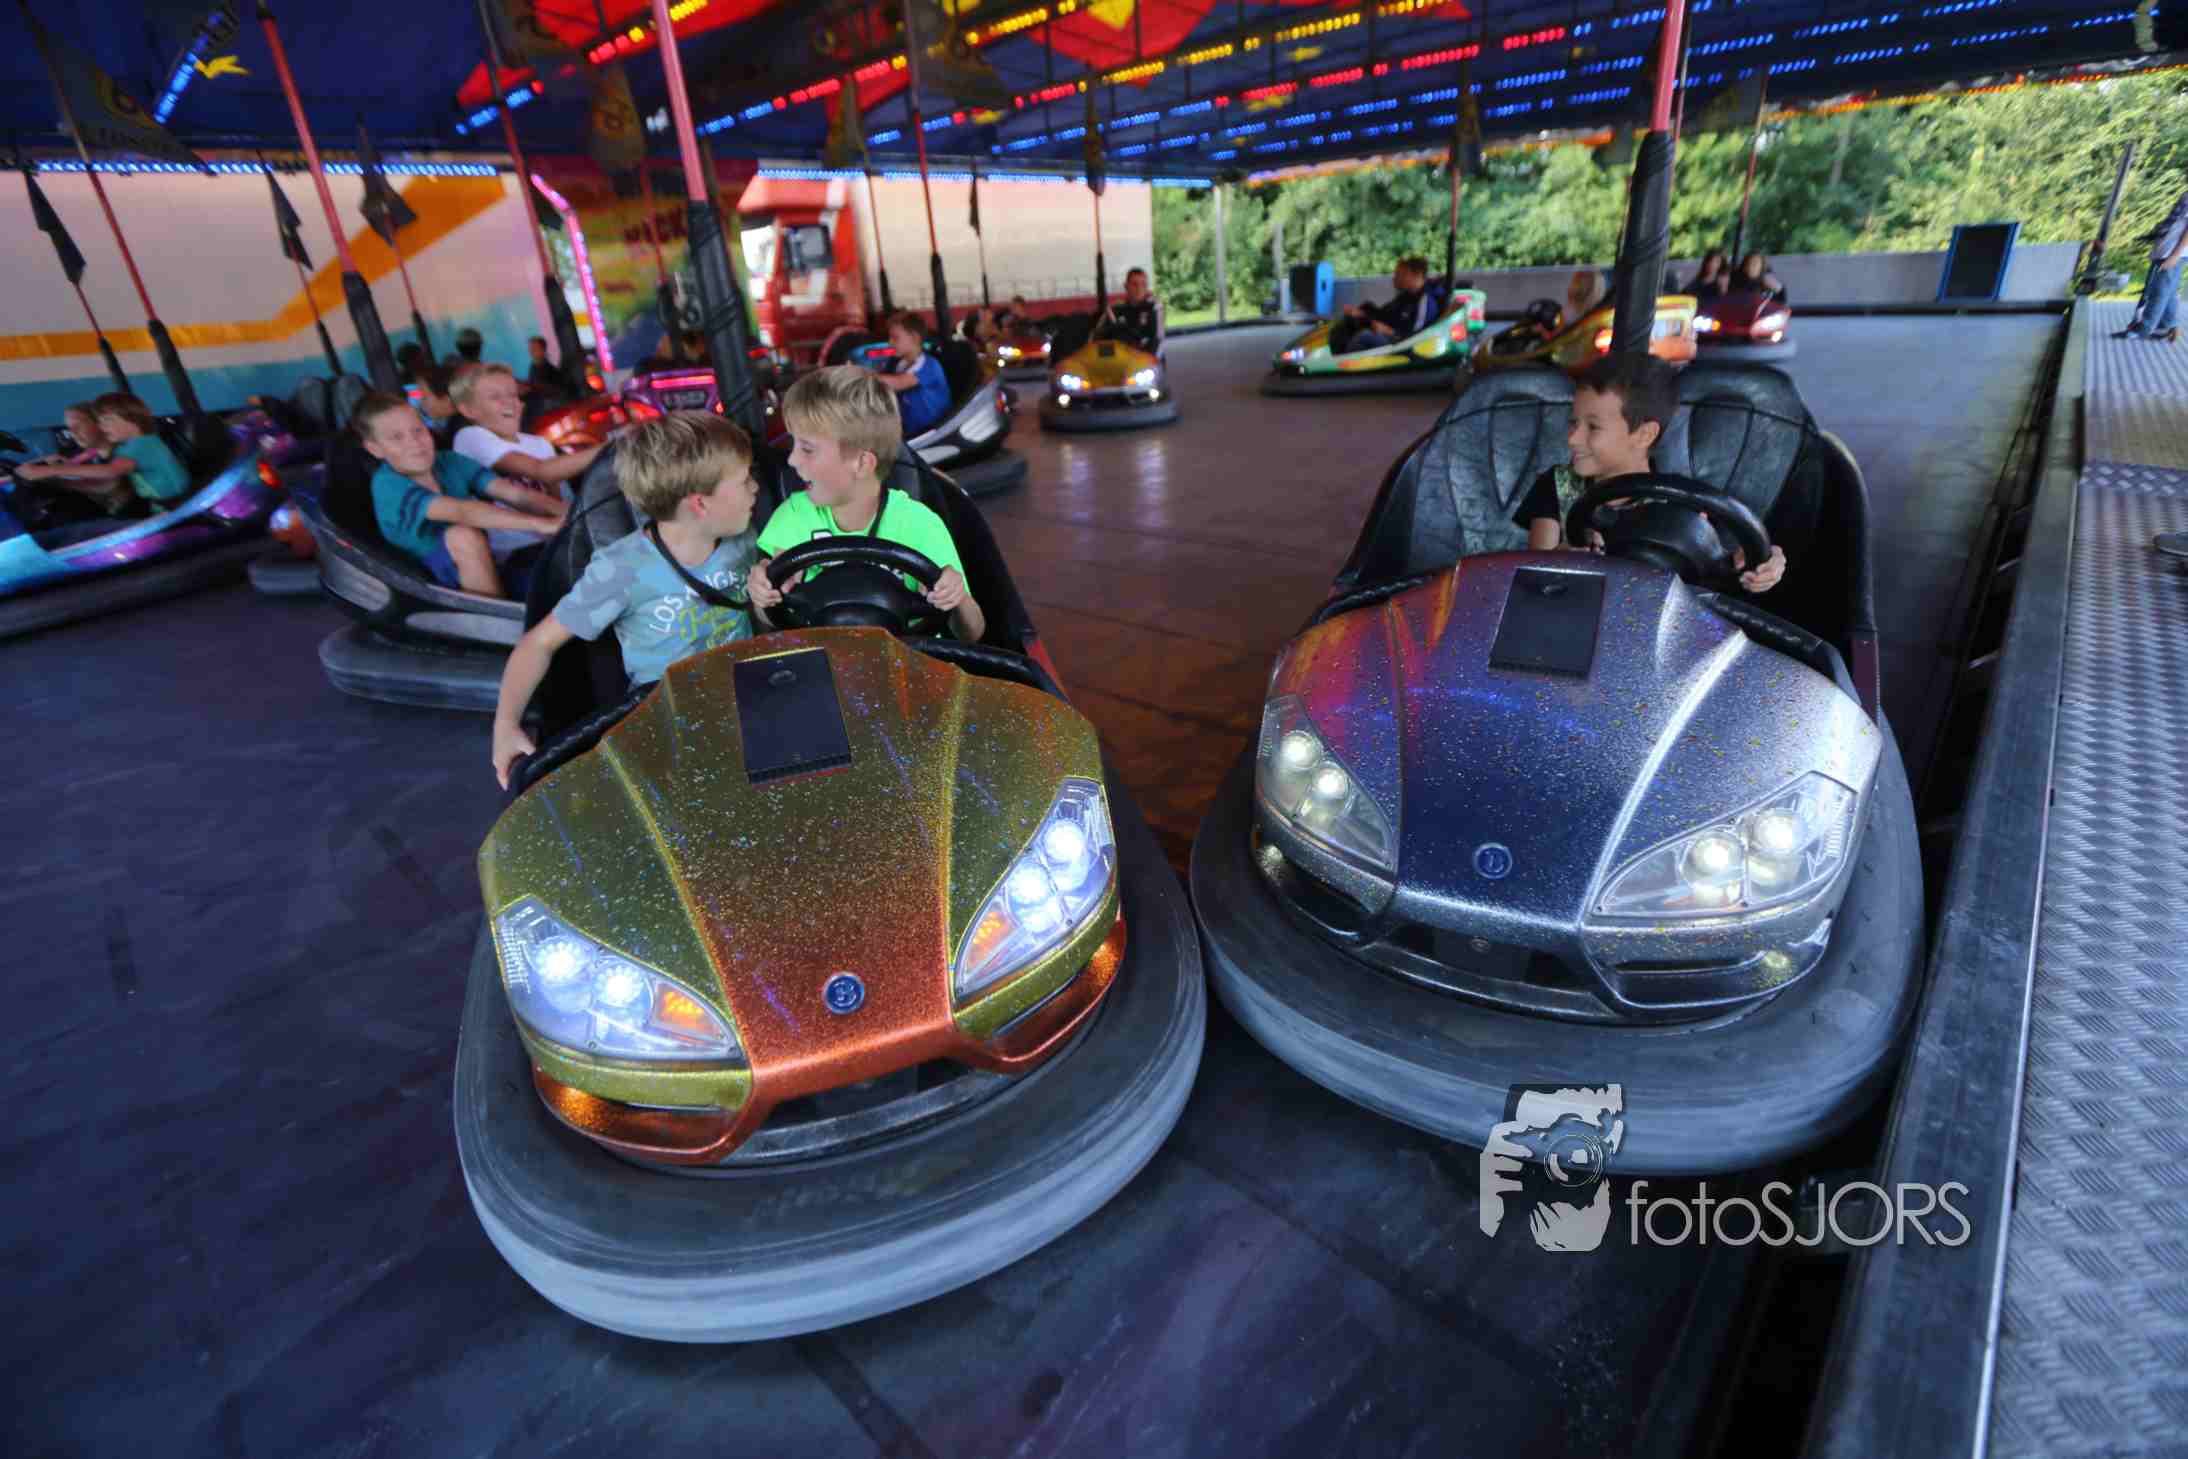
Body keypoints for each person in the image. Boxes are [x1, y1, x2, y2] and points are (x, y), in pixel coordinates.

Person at [490, 412, 759, 787]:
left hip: (746, 694)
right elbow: (539, 642)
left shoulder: (743, 537)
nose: (755, 488)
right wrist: (506, 725)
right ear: (700, 504)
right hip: (666, 716)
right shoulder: (622, 569)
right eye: (745, 481)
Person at [1510, 354, 1787, 595]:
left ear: (1644, 434)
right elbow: (1533, 577)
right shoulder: (1556, 486)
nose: (1572, 438)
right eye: (1573, 423)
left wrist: (1764, 563)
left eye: (1593, 427)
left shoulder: (1682, 504)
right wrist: (1560, 559)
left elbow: (1730, 562)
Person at [746, 365, 984, 643]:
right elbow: (770, 620)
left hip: (908, 657)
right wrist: (764, 594)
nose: (792, 460)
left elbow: (972, 633)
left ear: (862, 463)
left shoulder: (920, 524)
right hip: (821, 656)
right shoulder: (793, 517)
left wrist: (955, 598)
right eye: (795, 445)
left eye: (807, 449)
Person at [357, 391, 564, 599]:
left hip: (488, 564)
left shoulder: (449, 461)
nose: (414, 442)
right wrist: (541, 524)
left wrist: (569, 513)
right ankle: (491, 618)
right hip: (429, 587)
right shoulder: (387, 484)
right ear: (375, 449)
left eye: (418, 430)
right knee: (463, 535)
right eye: (396, 437)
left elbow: (517, 495)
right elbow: (462, 512)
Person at [12, 392, 189, 519]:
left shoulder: (142, 444)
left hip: (176, 511)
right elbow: (102, 479)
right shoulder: (127, 448)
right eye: (101, 422)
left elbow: (110, 471)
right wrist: (62, 481)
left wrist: (49, 471)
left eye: (107, 421)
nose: (103, 427)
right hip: (162, 510)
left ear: (132, 418)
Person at [449, 363, 602, 498]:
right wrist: (609, 447)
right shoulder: (469, 437)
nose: (510, 402)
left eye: (513, 394)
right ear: (468, 410)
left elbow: (557, 499)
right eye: (495, 397)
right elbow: (543, 472)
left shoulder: (540, 444)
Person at [2116, 184, 2188, 343]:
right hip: (2166, 248)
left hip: (2173, 252)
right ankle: (2166, 328)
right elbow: (2175, 223)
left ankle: (2144, 329)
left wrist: (2174, 255)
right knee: (2168, 291)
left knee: (2159, 291)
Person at [868, 311, 952, 437]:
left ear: (914, 338)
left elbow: (899, 383)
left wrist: (862, 375)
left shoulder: (930, 365)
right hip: (910, 430)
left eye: (895, 338)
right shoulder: (899, 365)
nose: (890, 343)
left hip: (934, 432)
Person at [1335, 257, 1432, 353]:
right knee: (1355, 318)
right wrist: (1362, 314)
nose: (1396, 278)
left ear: (1417, 275)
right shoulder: (1405, 296)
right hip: (1390, 335)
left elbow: (1416, 337)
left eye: (1402, 274)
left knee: (1366, 337)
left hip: (1403, 345)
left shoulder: (1425, 301)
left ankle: (1341, 361)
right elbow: (1384, 314)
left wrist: (1390, 332)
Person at [1098, 268, 1164, 353]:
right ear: (1126, 286)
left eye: (1143, 285)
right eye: (1134, 285)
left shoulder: (1154, 307)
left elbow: (1158, 340)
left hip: (1146, 356)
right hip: (1121, 356)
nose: (1139, 289)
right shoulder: (1115, 308)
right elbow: (1098, 336)